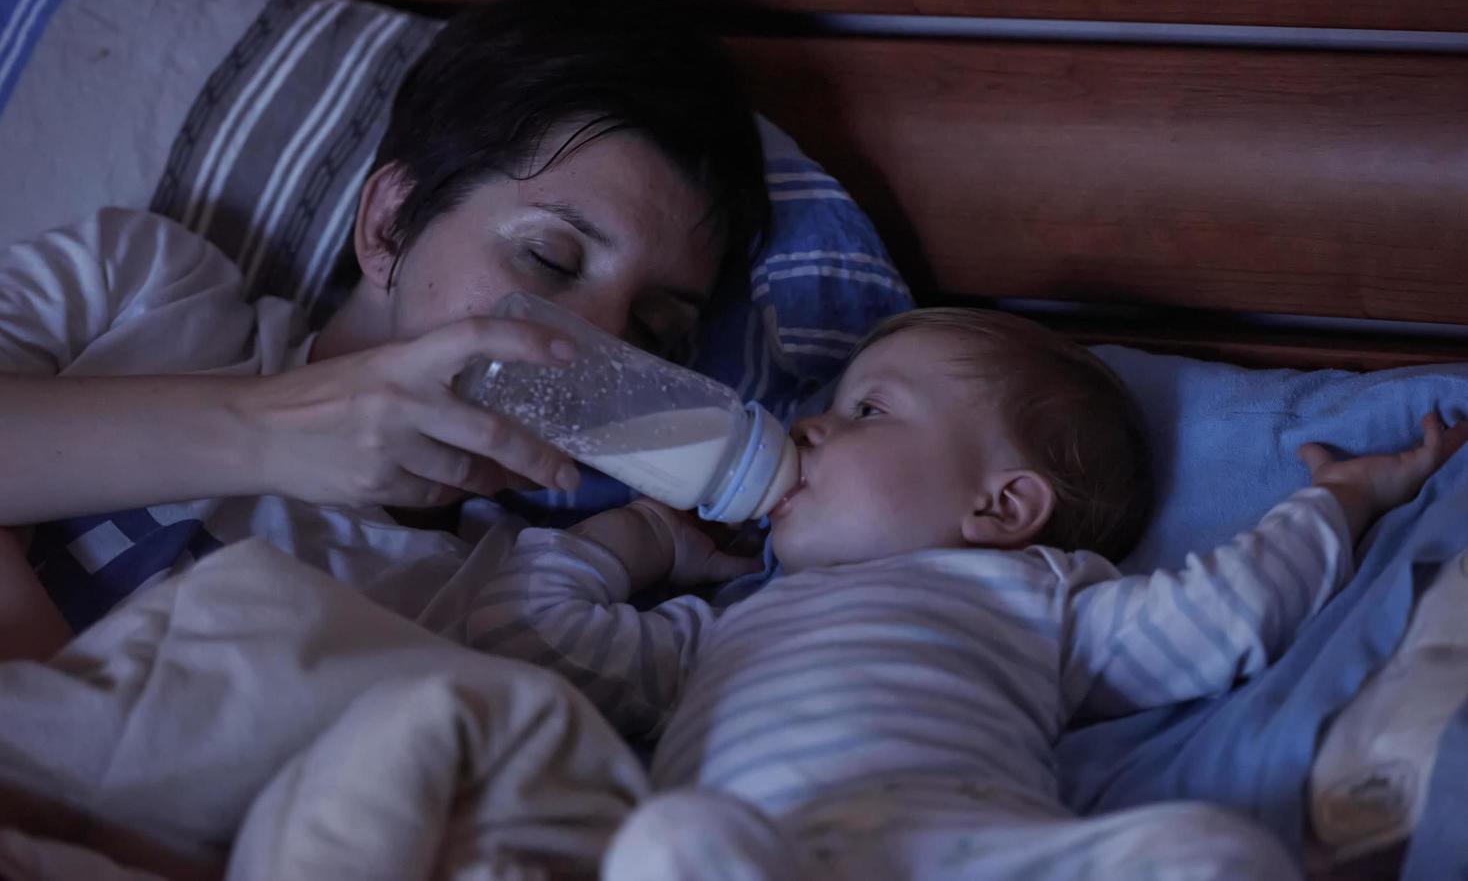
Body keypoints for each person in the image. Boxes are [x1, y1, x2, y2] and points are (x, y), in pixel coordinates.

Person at [461, 307, 1468, 880]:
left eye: (865, 408)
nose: (807, 426)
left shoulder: (1032, 592)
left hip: (978, 852)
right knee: (668, 842)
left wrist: (1332, 500)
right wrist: (631, 538)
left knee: (1209, 848)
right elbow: (524, 634)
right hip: (771, 857)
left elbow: (1219, 614)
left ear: (1001, 505)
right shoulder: (716, 629)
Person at [0, 0, 769, 656]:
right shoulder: (138, 286)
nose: (597, 347)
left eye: (652, 330)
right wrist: (267, 434)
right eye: (550, 258)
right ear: (389, 225)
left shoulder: (500, 612)